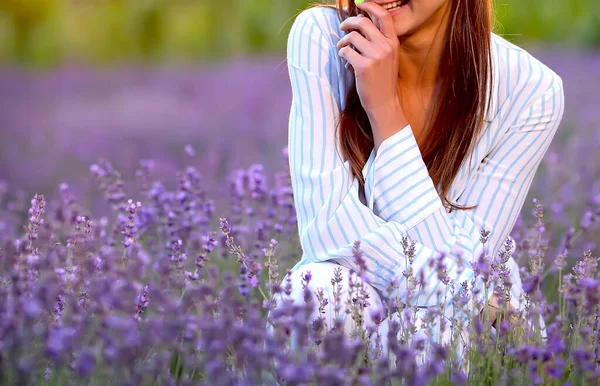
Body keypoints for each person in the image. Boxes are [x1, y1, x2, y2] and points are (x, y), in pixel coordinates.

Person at [269, 0, 564, 373]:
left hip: (455, 325)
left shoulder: (531, 91)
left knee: (431, 337)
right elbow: (328, 229)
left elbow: (470, 260)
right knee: (310, 298)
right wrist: (481, 298)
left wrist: (385, 111)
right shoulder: (326, 37)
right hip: (476, 304)